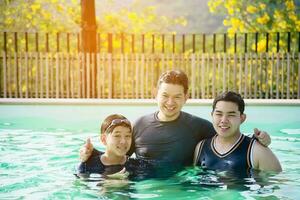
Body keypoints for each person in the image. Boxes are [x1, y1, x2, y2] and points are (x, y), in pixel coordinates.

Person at [80, 70, 271, 171]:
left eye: (177, 97)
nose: (170, 103)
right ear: (155, 94)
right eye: (165, 95)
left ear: (186, 97)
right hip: (147, 191)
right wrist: (91, 154)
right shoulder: (138, 125)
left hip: (183, 190)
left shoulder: (199, 127)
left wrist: (260, 140)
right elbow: (118, 155)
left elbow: (229, 137)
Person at [193, 91, 282, 176]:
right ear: (212, 115)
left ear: (242, 118)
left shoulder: (257, 151)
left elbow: (277, 184)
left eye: (231, 115)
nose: (224, 120)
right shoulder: (201, 147)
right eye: (219, 114)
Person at [77, 114, 133, 179]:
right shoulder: (88, 166)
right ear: (103, 139)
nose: (123, 141)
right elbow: (81, 186)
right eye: (117, 136)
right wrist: (109, 184)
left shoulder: (136, 165)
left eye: (128, 136)